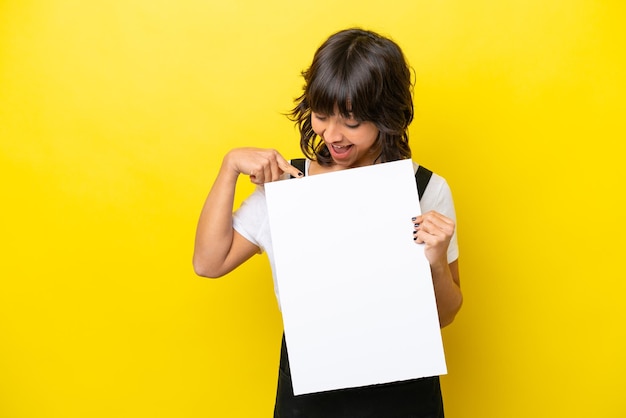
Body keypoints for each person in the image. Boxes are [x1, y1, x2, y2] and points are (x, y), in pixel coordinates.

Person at [193, 28, 462, 418]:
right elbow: (208, 262)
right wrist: (229, 167)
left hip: (403, 395)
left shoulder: (425, 189)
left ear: (386, 116)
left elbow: (446, 316)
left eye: (351, 122)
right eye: (321, 116)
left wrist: (436, 261)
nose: (332, 134)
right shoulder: (287, 185)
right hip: (309, 396)